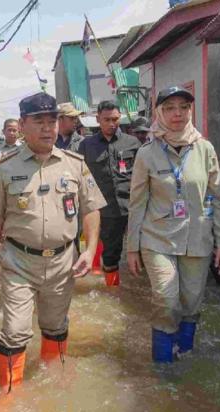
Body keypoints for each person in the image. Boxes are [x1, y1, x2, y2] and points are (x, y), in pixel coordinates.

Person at [0, 92, 106, 392]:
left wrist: (89, 250)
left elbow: (91, 209)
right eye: (39, 121)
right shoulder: (7, 167)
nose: (48, 128)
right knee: (14, 332)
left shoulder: (74, 164)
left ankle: (53, 382)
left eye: (53, 121)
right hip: (18, 263)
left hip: (63, 262)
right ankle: (9, 396)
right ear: (23, 124)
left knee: (55, 326)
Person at [126, 86, 220, 362]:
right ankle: (162, 364)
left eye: (183, 107)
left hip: (197, 238)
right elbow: (136, 203)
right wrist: (132, 248)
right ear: (159, 112)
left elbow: (216, 198)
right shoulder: (147, 153)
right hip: (157, 238)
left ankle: (184, 353)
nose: (178, 114)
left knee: (192, 302)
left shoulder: (205, 148)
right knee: (166, 299)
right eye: (170, 107)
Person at [78, 100, 141, 286]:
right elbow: (81, 178)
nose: (112, 124)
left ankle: (141, 291)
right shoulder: (87, 146)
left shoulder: (133, 143)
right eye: (107, 120)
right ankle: (114, 291)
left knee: (142, 252)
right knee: (111, 255)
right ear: (98, 119)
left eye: (115, 119)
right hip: (107, 211)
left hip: (134, 208)